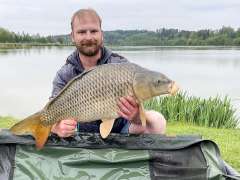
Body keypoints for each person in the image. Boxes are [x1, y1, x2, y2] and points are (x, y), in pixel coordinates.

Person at [50, 8, 166, 137]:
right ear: (73, 36)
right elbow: (51, 113)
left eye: (94, 31)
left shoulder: (121, 65)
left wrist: (135, 117)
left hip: (123, 129)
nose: (88, 37)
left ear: (101, 34)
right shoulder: (65, 74)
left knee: (157, 121)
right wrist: (57, 128)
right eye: (82, 32)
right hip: (81, 132)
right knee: (53, 129)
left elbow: (139, 117)